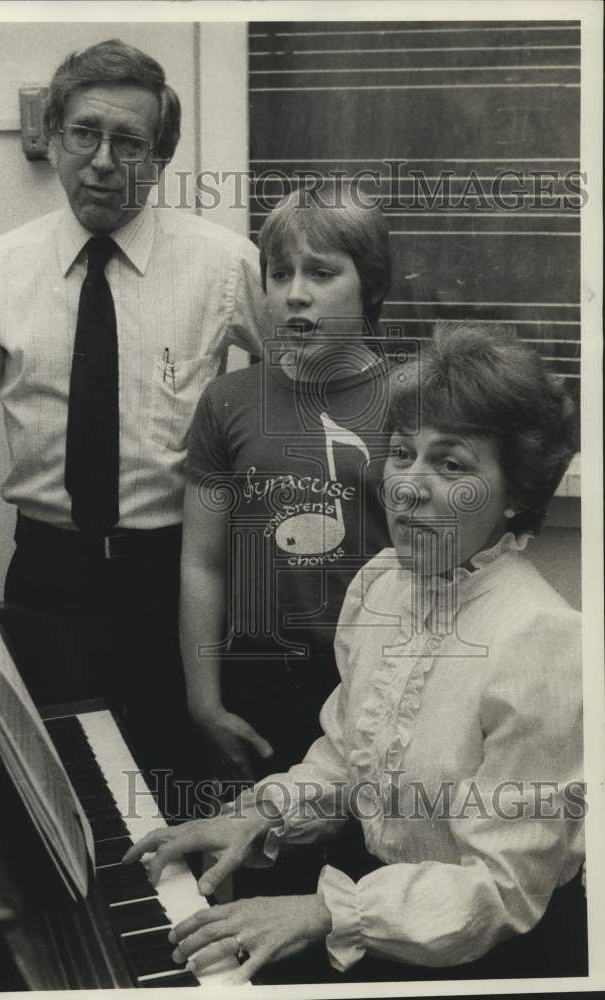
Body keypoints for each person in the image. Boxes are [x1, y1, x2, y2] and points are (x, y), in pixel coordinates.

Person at [0, 38, 268, 814]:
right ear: (53, 136)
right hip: (49, 575)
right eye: (84, 134)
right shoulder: (0, 268)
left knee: (175, 788)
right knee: (60, 795)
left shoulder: (220, 264)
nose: (104, 161)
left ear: (162, 156)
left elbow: (309, 378)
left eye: (130, 142)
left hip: (175, 577)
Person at [124, 323, 584, 984]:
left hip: (490, 952)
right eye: (401, 453)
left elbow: (501, 894)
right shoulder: (381, 586)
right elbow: (348, 760)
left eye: (451, 464)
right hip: (384, 914)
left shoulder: (544, 642)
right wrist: (262, 811)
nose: (406, 487)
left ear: (515, 495)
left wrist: (322, 912)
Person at [181, 181, 391, 796]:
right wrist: (205, 703)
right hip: (260, 679)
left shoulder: (414, 405)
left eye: (322, 273)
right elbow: (203, 561)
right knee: (261, 848)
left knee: (368, 867)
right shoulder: (229, 402)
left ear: (371, 284)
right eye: (279, 274)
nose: (296, 294)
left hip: (370, 677)